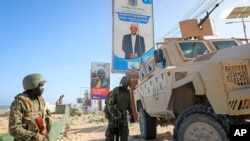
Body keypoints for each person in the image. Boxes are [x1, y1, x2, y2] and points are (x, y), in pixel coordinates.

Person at [9, 73, 51, 141]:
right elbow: (14, 129)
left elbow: (44, 119)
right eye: (40, 85)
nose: (43, 88)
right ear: (32, 86)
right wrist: (36, 137)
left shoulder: (41, 100)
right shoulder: (19, 103)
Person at [104, 76, 134, 141]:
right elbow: (110, 104)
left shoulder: (127, 92)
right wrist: (113, 115)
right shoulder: (116, 90)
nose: (125, 85)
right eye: (124, 84)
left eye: (126, 84)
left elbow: (129, 105)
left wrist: (132, 115)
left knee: (124, 134)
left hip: (123, 116)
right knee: (110, 134)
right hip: (114, 115)